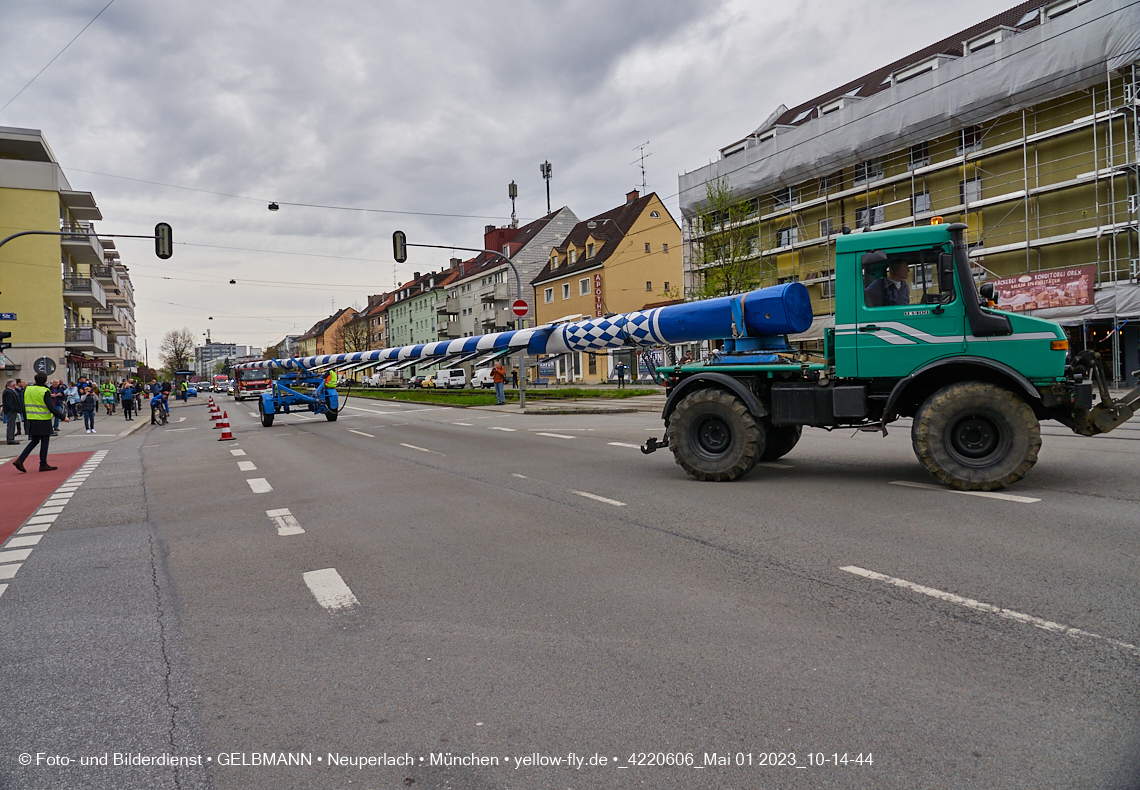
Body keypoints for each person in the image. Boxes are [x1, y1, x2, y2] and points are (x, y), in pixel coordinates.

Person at [12, 372, 69, 472]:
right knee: (44, 442)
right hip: (43, 420)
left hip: (31, 419)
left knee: (34, 441)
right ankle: (43, 464)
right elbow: (51, 407)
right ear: (46, 380)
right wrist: (63, 417)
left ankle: (20, 460)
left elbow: (24, 403)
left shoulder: (28, 389)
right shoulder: (45, 391)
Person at [3, 379, 22, 445]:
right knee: (11, 425)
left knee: (12, 424)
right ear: (13, 385)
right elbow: (9, 403)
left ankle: (11, 438)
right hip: (11, 411)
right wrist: (13, 409)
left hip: (12, 410)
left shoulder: (11, 391)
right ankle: (10, 438)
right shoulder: (8, 392)